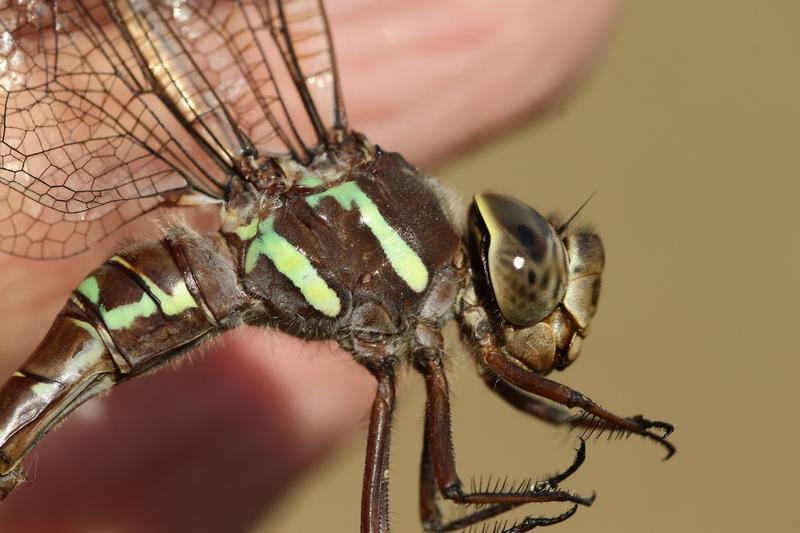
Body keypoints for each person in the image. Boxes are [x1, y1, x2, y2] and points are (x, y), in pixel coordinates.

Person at [0, 1, 618, 531]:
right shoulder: (424, 333)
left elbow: (450, 485)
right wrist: (594, 426)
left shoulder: (420, 332)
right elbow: (448, 494)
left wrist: (584, 426)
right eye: (536, 280)